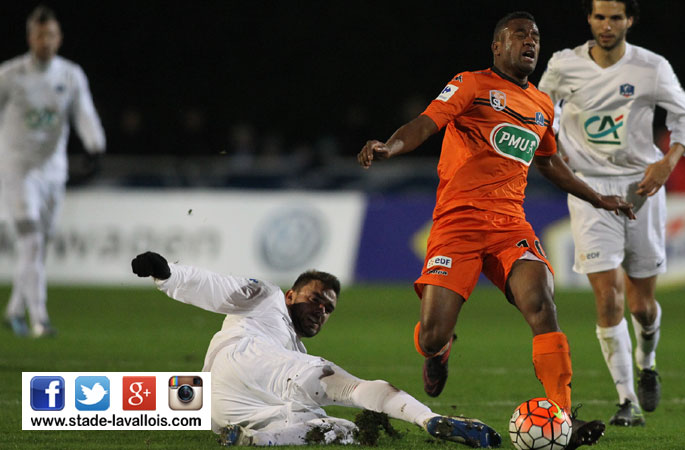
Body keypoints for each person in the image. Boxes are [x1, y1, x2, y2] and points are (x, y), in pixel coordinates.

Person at [358, 11, 635, 449]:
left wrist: (598, 198)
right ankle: (439, 350)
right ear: (497, 46)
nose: (530, 41)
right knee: (431, 334)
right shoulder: (471, 84)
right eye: (519, 34)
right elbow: (426, 122)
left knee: (542, 304)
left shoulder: (542, 105)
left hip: (510, 225)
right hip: (458, 223)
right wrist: (389, 147)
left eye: (535, 36)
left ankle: (562, 418)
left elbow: (549, 162)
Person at [130, 251, 501, 448]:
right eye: (315, 300)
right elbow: (216, 286)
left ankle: (257, 441)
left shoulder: (295, 350)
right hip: (242, 358)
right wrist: (168, 273)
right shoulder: (267, 298)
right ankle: (429, 419)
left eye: (328, 309)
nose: (321, 311)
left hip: (221, 408)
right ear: (291, 295)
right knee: (346, 386)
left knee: (339, 429)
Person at [538, 0, 685, 427]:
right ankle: (627, 400)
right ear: (589, 19)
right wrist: (553, 144)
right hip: (589, 190)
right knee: (608, 296)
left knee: (642, 306)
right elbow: (540, 112)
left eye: (614, 18)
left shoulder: (652, 67)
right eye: (599, 17)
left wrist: (666, 163)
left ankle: (648, 362)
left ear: (630, 20)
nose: (606, 25)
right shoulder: (563, 65)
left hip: (642, 188)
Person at [1, 6, 105, 338]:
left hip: (53, 172)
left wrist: (95, 145)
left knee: (38, 246)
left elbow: (84, 113)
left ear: (59, 38)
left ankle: (14, 310)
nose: (45, 41)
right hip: (18, 171)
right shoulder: (9, 75)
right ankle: (40, 318)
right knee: (31, 240)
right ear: (30, 38)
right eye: (39, 35)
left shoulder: (71, 75)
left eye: (50, 35)